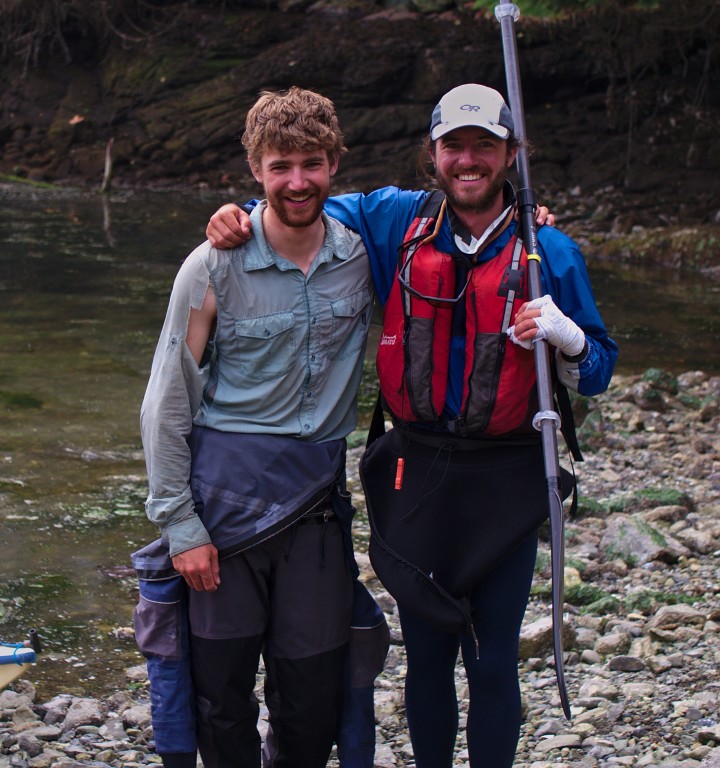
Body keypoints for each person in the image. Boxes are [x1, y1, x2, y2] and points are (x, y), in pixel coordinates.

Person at [205, 83, 618, 768]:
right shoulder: (396, 221)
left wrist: (568, 338)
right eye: (454, 146)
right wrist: (240, 214)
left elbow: (598, 371)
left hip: (506, 481)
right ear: (433, 153)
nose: (468, 160)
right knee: (425, 661)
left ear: (510, 153)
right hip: (417, 474)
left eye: (484, 146)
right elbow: (301, 202)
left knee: (490, 665)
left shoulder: (549, 251)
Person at [137, 86, 389, 768]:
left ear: (335, 163)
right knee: (220, 698)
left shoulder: (364, 257)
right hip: (221, 514)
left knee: (311, 698)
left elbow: (455, 228)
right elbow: (165, 403)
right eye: (281, 166)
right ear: (255, 169)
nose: (297, 181)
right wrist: (180, 527)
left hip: (314, 513)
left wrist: (529, 219)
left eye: (311, 162)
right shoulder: (211, 266)